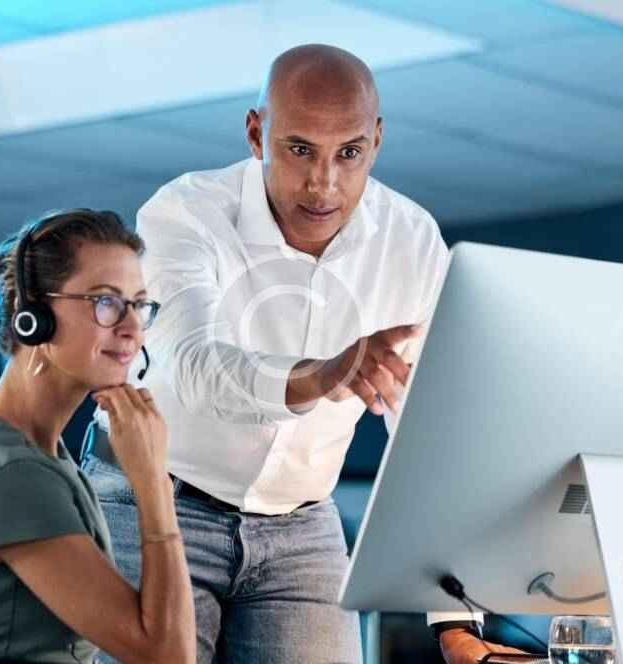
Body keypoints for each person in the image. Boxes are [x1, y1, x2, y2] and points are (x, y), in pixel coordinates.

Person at [83, 45, 520, 664]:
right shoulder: (184, 213)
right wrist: (323, 374)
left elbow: (429, 432)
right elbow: (199, 368)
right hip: (149, 497)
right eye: (299, 150)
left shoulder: (411, 240)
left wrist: (455, 618)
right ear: (255, 133)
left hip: (299, 524)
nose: (324, 183)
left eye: (349, 153)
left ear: (376, 141)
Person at [0, 209, 195, 664]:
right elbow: (168, 656)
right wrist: (152, 482)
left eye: (139, 305)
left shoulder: (19, 444)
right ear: (33, 317)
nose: (132, 329)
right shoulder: (15, 477)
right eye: (106, 302)